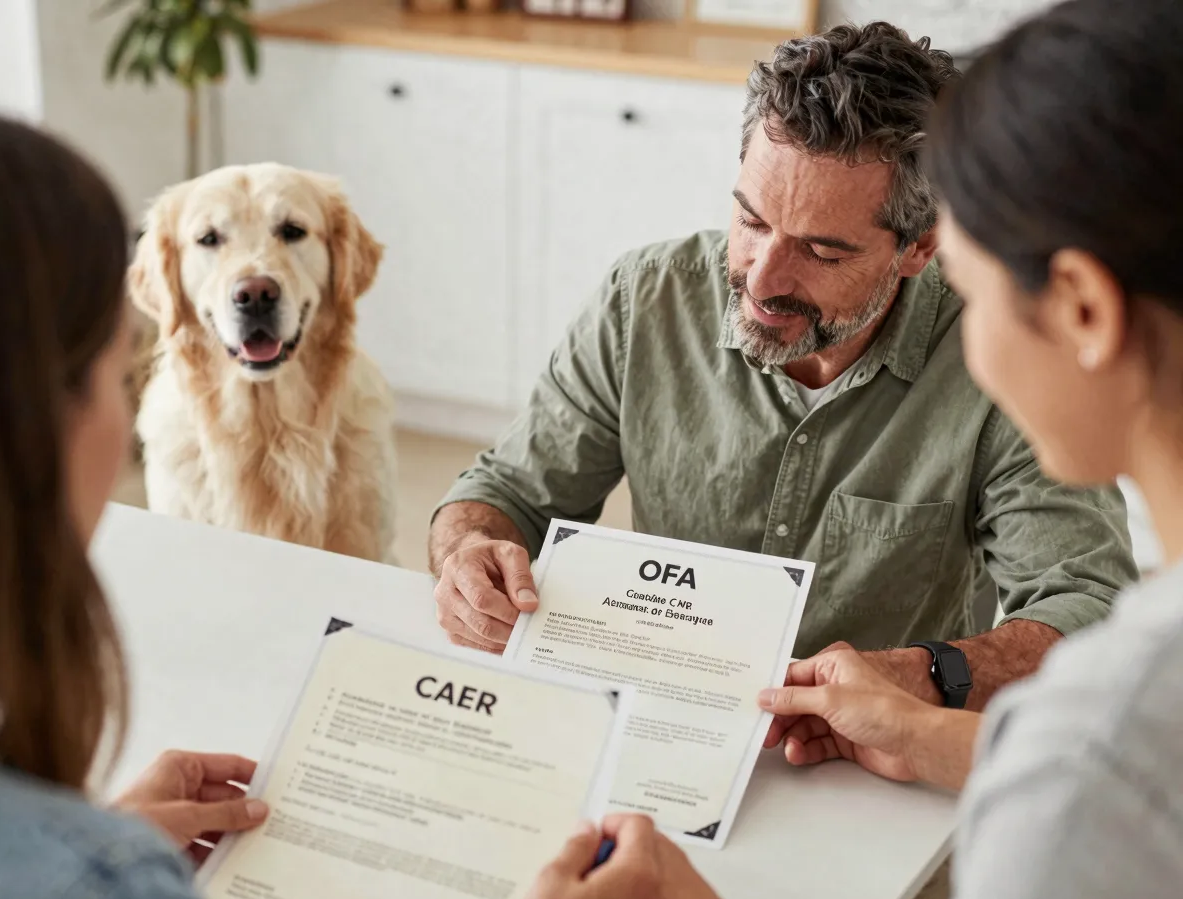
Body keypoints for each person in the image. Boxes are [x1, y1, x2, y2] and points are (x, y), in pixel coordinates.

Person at [0, 112, 728, 899]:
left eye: (292, 233)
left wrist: (108, 840)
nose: (257, 279)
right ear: (39, 418)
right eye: (116, 369)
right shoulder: (108, 895)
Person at [429, 22, 1136, 711]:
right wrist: (470, 553)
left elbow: (1089, 607)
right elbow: (507, 493)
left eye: (823, 252)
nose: (763, 280)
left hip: (876, 755)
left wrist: (918, 678)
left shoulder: (1000, 351)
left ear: (918, 251)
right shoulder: (644, 299)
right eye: (751, 221)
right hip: (663, 716)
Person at [757, 1, 1183, 899]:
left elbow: (1091, 786)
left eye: (970, 288)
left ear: (1081, 312)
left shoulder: (1097, 757)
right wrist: (929, 737)